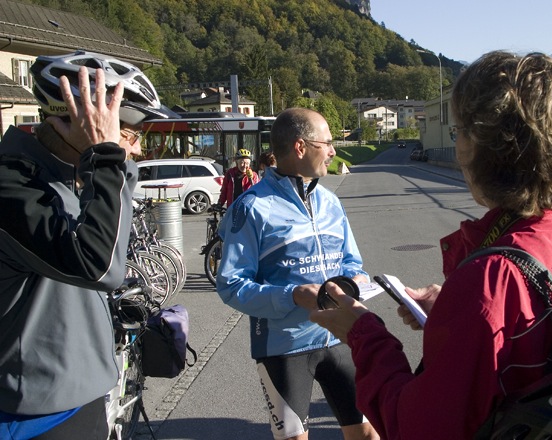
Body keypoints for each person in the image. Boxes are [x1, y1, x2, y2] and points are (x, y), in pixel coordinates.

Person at [309, 51, 552, 438]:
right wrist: (452, 308)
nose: (458, 146)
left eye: (460, 130)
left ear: (490, 146)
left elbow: (415, 426)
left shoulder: (489, 279)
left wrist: (363, 333)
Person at [0, 51, 177, 439]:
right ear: (72, 121)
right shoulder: (12, 187)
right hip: (34, 418)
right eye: (127, 135)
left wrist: (107, 165)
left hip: (81, 400)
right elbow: (99, 267)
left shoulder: (60, 180)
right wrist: (107, 157)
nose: (134, 150)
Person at [216, 108, 379, 440]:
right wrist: (291, 295)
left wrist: (355, 282)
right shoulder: (251, 207)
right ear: (300, 147)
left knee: (367, 433)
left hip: (339, 335)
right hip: (283, 346)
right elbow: (231, 285)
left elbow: (352, 263)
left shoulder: (331, 202)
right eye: (328, 144)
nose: (334, 152)